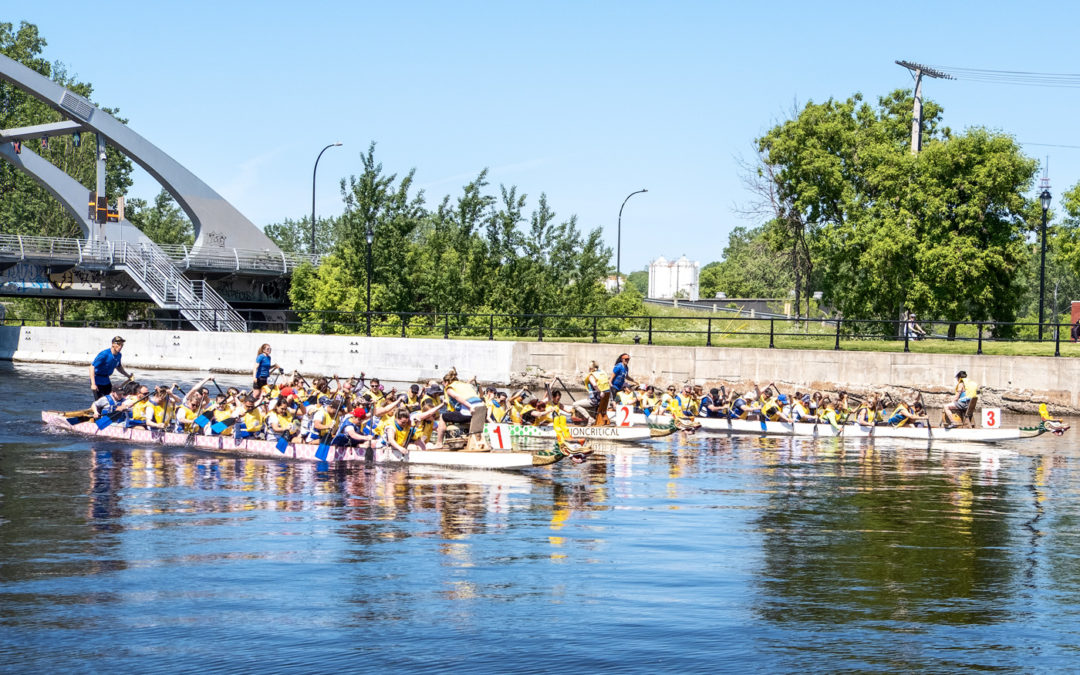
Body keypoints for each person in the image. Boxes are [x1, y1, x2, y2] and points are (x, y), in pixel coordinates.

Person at [88, 335, 132, 402]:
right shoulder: (104, 354)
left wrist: (128, 376)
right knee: (100, 401)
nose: (120, 347)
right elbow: (92, 367)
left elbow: (119, 367)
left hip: (106, 380)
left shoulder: (119, 355)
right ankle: (97, 411)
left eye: (122, 345)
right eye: (118, 344)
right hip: (97, 380)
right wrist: (93, 384)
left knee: (112, 399)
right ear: (113, 344)